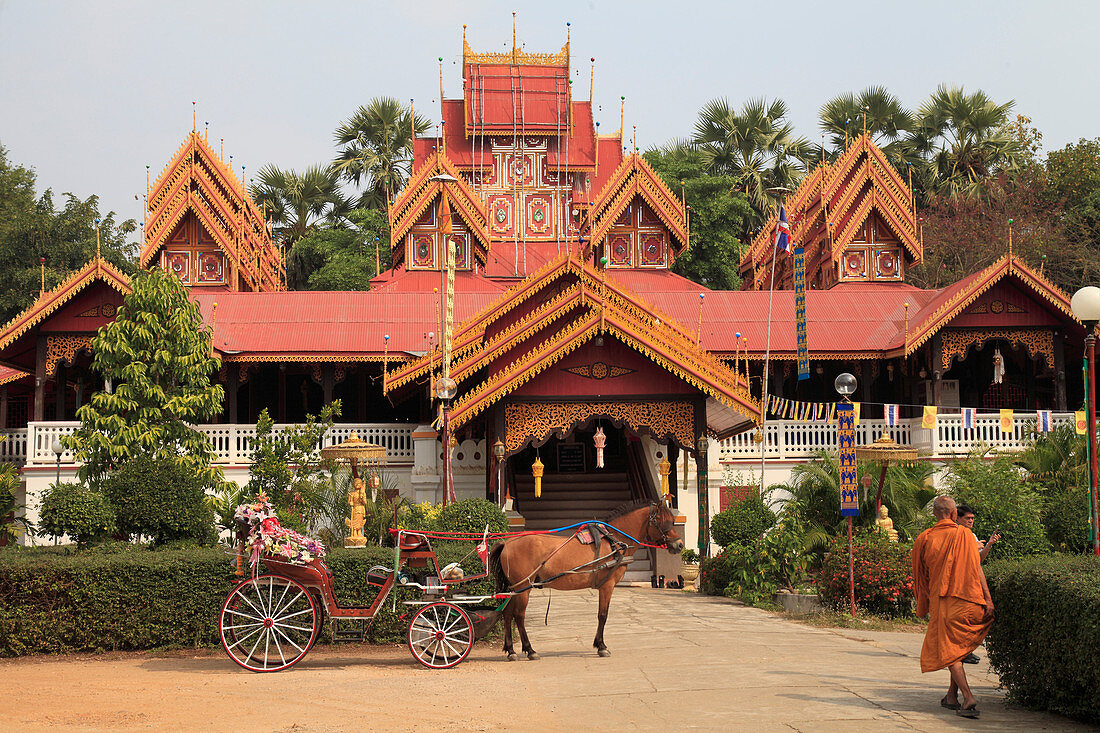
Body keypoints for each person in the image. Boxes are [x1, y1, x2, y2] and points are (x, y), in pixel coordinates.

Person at [911, 495, 994, 719]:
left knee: (950, 651)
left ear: (934, 514)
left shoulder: (925, 538)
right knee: (955, 649)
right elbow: (977, 569)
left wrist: (925, 601)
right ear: (954, 514)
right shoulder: (965, 535)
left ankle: (968, 697)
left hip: (943, 602)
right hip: (969, 600)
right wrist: (988, 599)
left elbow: (920, 576)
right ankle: (951, 696)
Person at [954, 504, 1000, 664]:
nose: (971, 521)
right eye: (967, 518)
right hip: (957, 584)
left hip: (971, 582)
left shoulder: (971, 535)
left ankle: (966, 649)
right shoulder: (954, 533)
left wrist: (987, 545)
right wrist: (973, 547)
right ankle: (961, 651)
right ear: (957, 518)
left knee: (977, 617)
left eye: (972, 518)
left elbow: (978, 560)